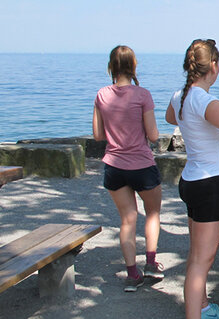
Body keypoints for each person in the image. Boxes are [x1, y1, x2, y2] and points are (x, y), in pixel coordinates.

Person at [165, 39, 219, 319]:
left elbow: (170, 118)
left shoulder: (181, 96)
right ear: (213, 65)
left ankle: (201, 306)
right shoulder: (205, 100)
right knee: (203, 260)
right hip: (209, 184)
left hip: (192, 180)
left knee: (196, 253)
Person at [92, 45, 164, 292]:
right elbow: (153, 135)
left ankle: (132, 274)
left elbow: (98, 135)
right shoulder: (143, 95)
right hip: (142, 164)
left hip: (114, 165)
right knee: (152, 213)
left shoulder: (102, 94)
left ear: (111, 67)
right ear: (133, 66)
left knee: (127, 220)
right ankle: (152, 263)